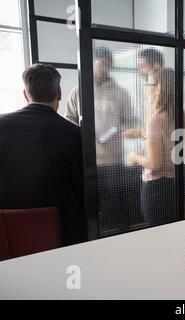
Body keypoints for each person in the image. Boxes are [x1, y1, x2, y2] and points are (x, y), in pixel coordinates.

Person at [0, 64, 86, 246]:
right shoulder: (73, 133)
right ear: (59, 93)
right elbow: (82, 191)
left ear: (25, 94)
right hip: (60, 233)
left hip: (7, 232)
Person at [66, 47, 133, 233]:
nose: (105, 68)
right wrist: (84, 134)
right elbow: (69, 119)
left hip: (114, 160)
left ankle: (119, 237)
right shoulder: (79, 91)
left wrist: (115, 130)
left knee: (116, 206)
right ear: (92, 64)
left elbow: (128, 121)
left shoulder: (120, 92)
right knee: (91, 207)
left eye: (108, 64)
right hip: (87, 161)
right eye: (102, 63)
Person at [128, 68, 177, 226]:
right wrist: (143, 133)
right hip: (177, 185)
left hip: (157, 189)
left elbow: (155, 164)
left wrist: (134, 157)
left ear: (159, 88)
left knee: (158, 237)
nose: (146, 89)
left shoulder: (155, 120)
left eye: (148, 84)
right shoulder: (183, 117)